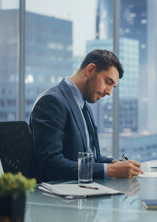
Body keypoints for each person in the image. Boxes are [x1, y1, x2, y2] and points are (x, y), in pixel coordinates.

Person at [29, 49, 143, 182]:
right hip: (61, 197)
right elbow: (51, 164)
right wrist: (110, 170)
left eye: (113, 86)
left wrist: (114, 163)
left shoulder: (83, 105)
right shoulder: (52, 101)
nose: (109, 92)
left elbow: (91, 157)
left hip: (82, 191)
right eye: (108, 82)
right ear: (90, 70)